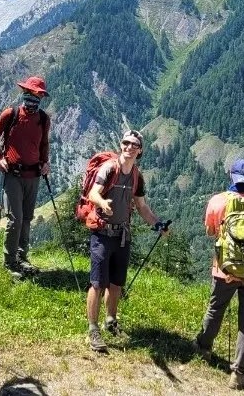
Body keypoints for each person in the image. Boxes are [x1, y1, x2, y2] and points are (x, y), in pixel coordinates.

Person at [194, 159, 244, 390]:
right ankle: (240, 373)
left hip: (224, 269)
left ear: (231, 177)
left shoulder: (218, 201)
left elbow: (210, 231)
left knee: (215, 308)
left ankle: (203, 349)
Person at [84, 130, 168, 353]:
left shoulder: (136, 177)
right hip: (102, 233)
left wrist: (157, 225)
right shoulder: (109, 168)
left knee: (117, 283)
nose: (129, 147)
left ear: (140, 151)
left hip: (122, 235)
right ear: (121, 145)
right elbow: (93, 193)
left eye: (134, 144)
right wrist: (102, 203)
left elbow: (142, 207)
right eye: (126, 143)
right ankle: (93, 329)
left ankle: (110, 320)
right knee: (97, 283)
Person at [0, 76, 51, 278]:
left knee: (26, 218)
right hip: (13, 174)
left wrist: (45, 162)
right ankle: (10, 261)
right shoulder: (11, 114)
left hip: (33, 174)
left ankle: (22, 258)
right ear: (24, 93)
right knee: (15, 219)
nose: (33, 97)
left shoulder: (43, 118)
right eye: (30, 93)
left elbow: (44, 144)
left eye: (37, 94)